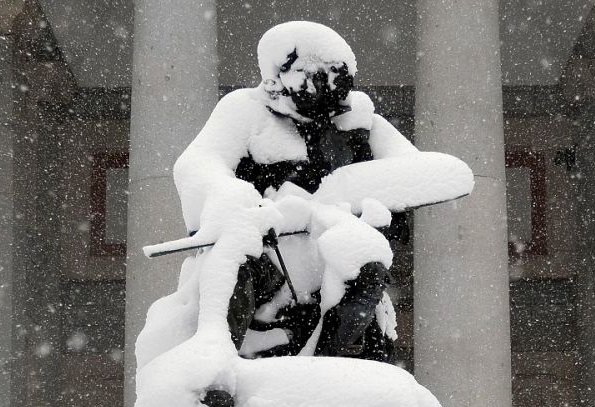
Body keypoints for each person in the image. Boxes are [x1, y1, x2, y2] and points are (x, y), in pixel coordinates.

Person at [173, 20, 422, 361]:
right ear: (282, 76)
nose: (327, 90)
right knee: (235, 257)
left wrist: (380, 204)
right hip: (268, 247)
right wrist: (230, 198)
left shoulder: (354, 122)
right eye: (317, 78)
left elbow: (412, 171)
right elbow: (197, 166)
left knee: (368, 266)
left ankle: (333, 357)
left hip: (328, 244)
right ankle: (214, 354)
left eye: (334, 80)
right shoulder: (245, 111)